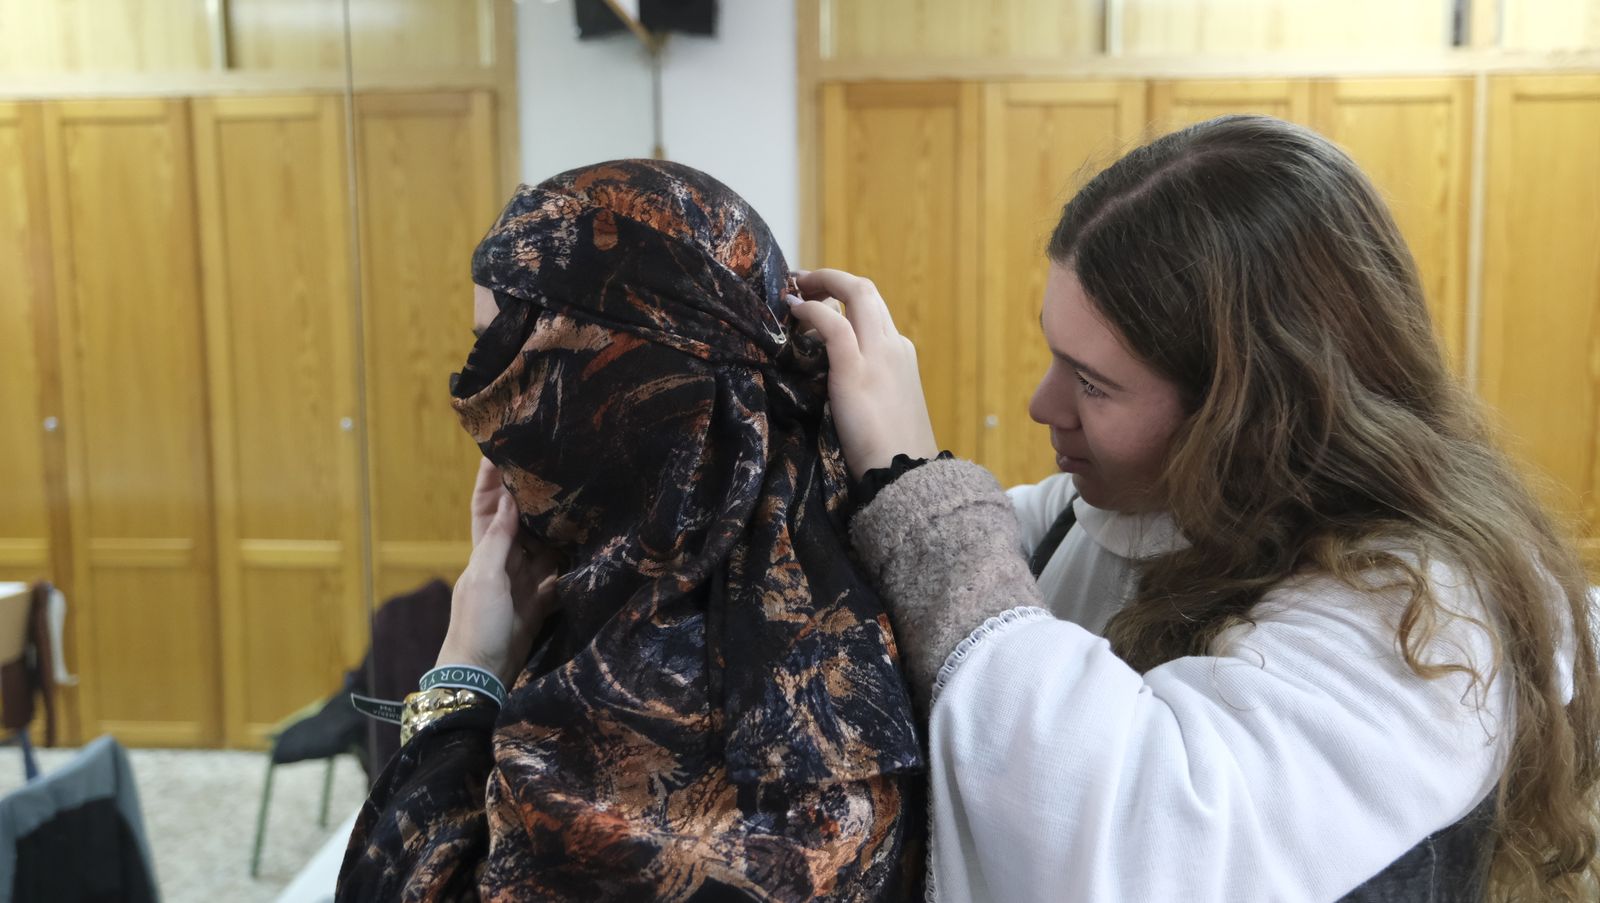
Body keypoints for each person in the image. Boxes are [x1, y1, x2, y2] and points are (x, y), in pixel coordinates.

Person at [785, 114, 1599, 901]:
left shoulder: (1423, 623)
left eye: (1094, 383)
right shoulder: (1115, 511)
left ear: (1250, 412)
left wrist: (913, 479)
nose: (1043, 404)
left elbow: (1134, 836)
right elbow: (986, 566)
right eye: (1055, 357)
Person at [337, 160, 924, 901]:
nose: (473, 392)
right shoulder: (832, 580)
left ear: (599, 384)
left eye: (496, 349)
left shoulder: (669, 740)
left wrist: (464, 672)